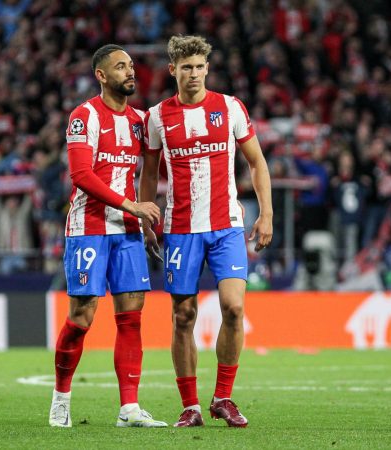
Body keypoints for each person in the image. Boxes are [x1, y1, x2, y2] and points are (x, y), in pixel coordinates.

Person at [139, 35, 273, 428]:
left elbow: (257, 162)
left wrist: (266, 214)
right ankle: (190, 405)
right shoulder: (157, 117)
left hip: (227, 227)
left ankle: (223, 398)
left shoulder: (230, 108)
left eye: (199, 66)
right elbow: (149, 174)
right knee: (184, 315)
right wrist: (148, 219)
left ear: (207, 69)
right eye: (186, 67)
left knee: (234, 307)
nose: (193, 74)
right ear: (173, 71)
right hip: (180, 230)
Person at [48, 44, 167, 428]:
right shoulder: (84, 117)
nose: (130, 72)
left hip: (128, 232)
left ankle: (129, 408)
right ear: (101, 75)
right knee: (82, 316)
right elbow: (82, 176)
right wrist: (133, 207)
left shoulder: (140, 120)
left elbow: (146, 175)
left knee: (131, 318)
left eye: (131, 66)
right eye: (120, 67)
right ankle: (61, 398)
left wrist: (143, 220)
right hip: (89, 228)